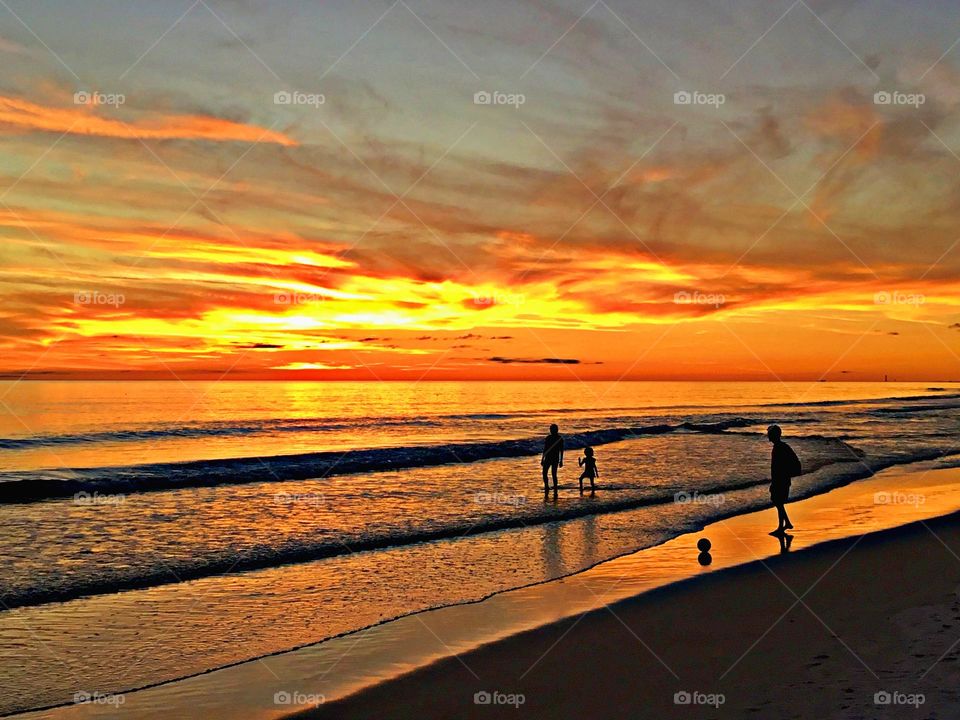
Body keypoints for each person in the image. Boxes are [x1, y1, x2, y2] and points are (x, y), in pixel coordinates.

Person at [767, 424, 801, 535]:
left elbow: (778, 467)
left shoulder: (779, 448)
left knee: (778, 502)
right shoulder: (780, 447)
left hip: (781, 480)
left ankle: (782, 526)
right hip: (782, 479)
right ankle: (786, 524)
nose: (768, 436)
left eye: (769, 434)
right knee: (778, 502)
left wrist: (775, 482)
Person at [541, 424, 564, 493]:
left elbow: (561, 450)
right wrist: (542, 459)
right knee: (547, 473)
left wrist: (561, 460)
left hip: (552, 458)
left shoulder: (558, 439)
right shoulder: (552, 438)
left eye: (552, 429)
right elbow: (545, 449)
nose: (551, 431)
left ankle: (553, 487)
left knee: (552, 473)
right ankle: (547, 486)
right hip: (551, 458)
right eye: (551, 429)